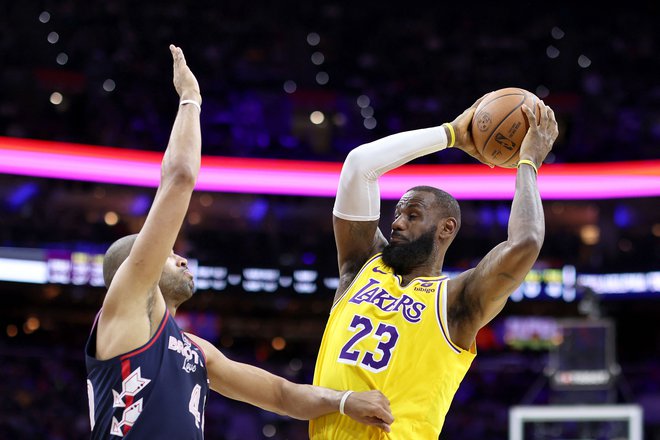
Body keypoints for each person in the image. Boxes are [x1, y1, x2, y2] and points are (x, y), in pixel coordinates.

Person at [85, 45, 394, 439]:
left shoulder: (194, 350)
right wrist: (190, 98)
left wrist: (343, 401)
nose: (181, 260)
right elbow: (179, 177)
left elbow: (282, 394)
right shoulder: (125, 307)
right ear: (135, 268)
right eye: (168, 254)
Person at [309, 94, 559, 439]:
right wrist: (451, 134)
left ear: (447, 228)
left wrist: (528, 162)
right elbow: (359, 165)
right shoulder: (361, 266)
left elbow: (525, 242)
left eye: (412, 216)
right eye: (396, 214)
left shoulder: (457, 300)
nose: (396, 224)